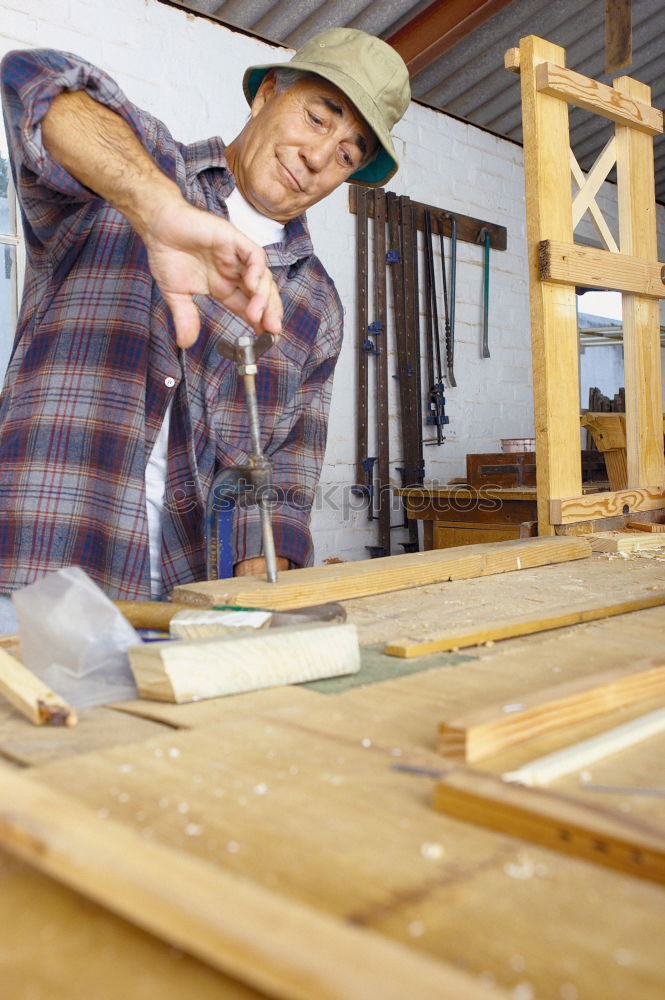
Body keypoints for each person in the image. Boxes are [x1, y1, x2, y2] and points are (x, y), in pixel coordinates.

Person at [0, 28, 410, 631]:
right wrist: (158, 209)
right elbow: (31, 78)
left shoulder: (315, 303)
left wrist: (252, 609)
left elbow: (283, 478)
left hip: (187, 606)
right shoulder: (145, 168)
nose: (320, 158)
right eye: (319, 118)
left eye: (348, 155)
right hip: (38, 570)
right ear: (266, 93)